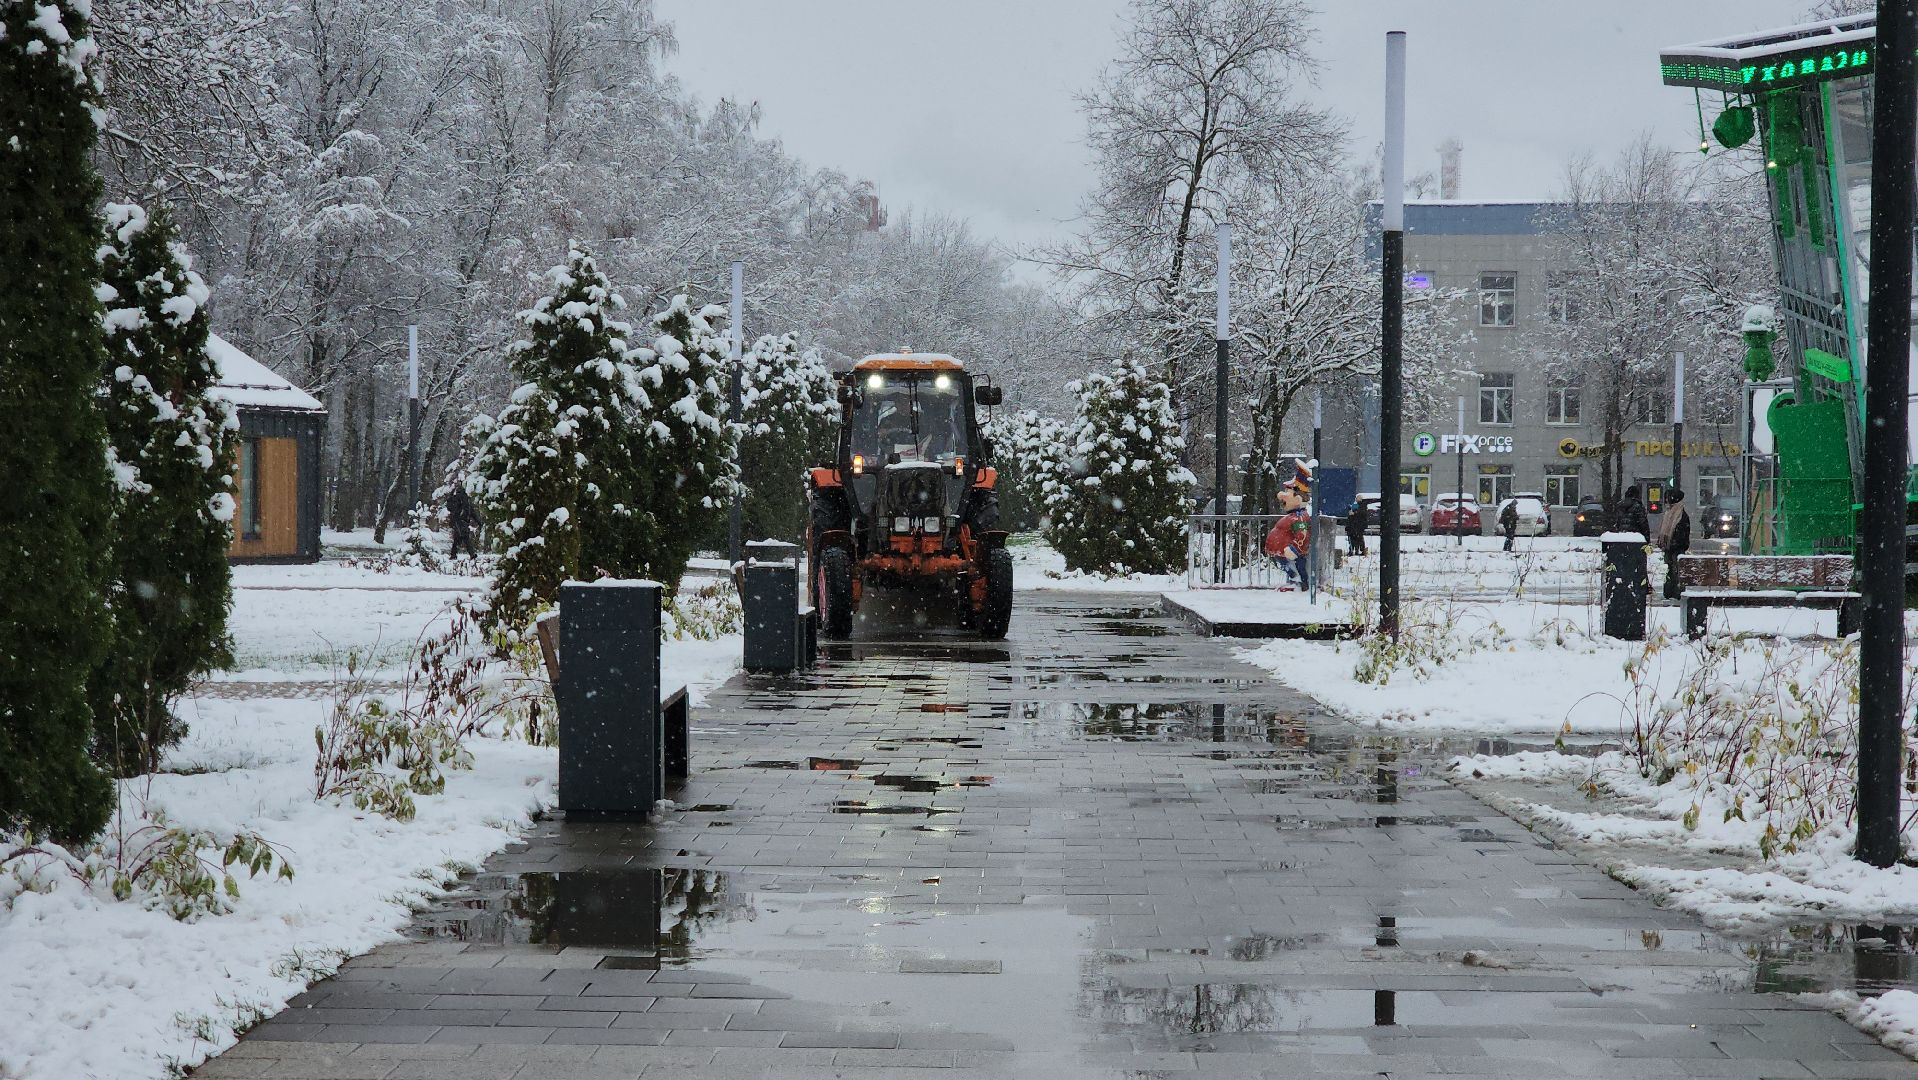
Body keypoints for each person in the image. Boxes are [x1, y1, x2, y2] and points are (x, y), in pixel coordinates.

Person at [1656, 488, 1692, 600]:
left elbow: (1683, 534)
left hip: (1676, 548)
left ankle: (1675, 592)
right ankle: (1669, 591)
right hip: (1670, 547)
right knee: (1670, 570)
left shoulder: (1680, 515)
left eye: (1668, 497)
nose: (1666, 500)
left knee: (1676, 571)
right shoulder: (1670, 512)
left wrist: (1675, 544)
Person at [446, 485, 481, 558]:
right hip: (463, 521)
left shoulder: (456, 499)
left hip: (458, 520)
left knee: (458, 537)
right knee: (464, 537)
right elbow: (471, 511)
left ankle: (453, 555)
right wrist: (478, 521)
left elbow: (450, 508)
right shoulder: (466, 500)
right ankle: (471, 554)